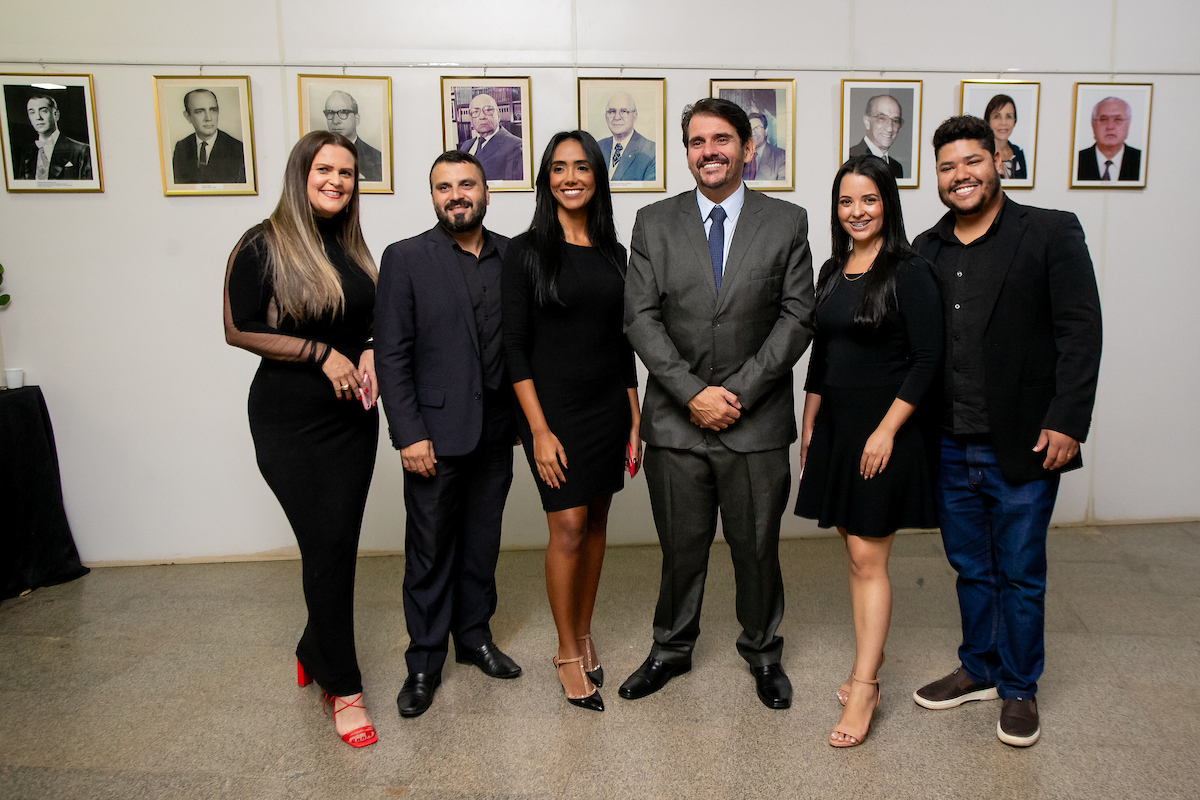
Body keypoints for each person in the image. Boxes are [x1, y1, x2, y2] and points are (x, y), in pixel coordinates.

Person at [912, 116, 1102, 747]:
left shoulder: (1048, 231)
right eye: (946, 167)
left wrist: (1068, 419)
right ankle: (979, 667)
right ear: (936, 177)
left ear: (998, 161)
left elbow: (1081, 330)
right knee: (970, 566)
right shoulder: (926, 248)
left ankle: (1019, 687)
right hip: (948, 439)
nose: (960, 175)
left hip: (1025, 438)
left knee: (1020, 570)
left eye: (972, 161)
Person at [621, 97, 815, 709]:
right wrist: (692, 394)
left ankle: (762, 651)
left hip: (754, 424)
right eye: (698, 141)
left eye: (722, 140)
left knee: (757, 548)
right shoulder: (653, 223)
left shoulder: (786, 221)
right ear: (686, 152)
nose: (710, 151)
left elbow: (797, 314)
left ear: (747, 147)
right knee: (681, 547)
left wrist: (737, 393)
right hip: (677, 426)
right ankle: (671, 649)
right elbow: (640, 318)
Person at [223, 130, 380, 748]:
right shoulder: (263, 241)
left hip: (352, 421)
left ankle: (313, 649)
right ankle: (343, 686)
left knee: (335, 546)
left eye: (346, 172)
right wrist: (323, 355)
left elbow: (364, 319)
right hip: (290, 420)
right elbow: (238, 326)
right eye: (325, 169)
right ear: (300, 174)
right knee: (327, 547)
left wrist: (366, 351)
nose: (337, 180)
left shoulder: (349, 246)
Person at [794, 154, 943, 747]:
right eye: (846, 201)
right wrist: (810, 423)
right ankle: (867, 670)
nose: (857, 212)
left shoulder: (909, 271)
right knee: (854, 558)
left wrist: (887, 431)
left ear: (888, 204)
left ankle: (864, 685)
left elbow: (928, 361)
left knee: (867, 559)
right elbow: (822, 356)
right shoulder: (833, 269)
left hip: (885, 430)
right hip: (835, 428)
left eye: (869, 200)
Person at [375, 150, 522, 719]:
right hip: (432, 436)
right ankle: (424, 661)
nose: (456, 194)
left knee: (482, 543)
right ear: (433, 196)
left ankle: (474, 638)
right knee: (430, 550)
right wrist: (408, 433)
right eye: (444, 187)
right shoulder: (406, 258)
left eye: (466, 184)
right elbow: (391, 352)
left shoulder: (513, 256)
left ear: (487, 192)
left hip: (496, 435)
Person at [502, 130, 641, 713]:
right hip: (553, 410)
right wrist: (537, 429)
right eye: (558, 168)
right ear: (546, 179)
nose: (569, 177)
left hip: (609, 405)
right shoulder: (525, 250)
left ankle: (584, 633)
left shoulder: (615, 252)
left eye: (581, 166)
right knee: (568, 527)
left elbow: (625, 341)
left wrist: (634, 417)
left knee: (599, 518)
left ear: (597, 176)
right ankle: (564, 650)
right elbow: (513, 348)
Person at [172, 88, 246, 184]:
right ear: (188, 117)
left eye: (213, 110)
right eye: (199, 111)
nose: (208, 118)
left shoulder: (238, 149)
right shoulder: (181, 147)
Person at [15, 93, 92, 181]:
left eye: (43, 111)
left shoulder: (81, 150)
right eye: (32, 112)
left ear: (56, 115)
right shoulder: (26, 153)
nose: (38, 117)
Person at [457, 93, 523, 182]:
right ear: (471, 120)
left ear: (498, 115)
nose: (482, 117)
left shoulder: (515, 145)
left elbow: (511, 189)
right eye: (475, 112)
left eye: (488, 110)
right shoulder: (466, 145)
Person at [1077, 97, 1141, 181]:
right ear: (1093, 125)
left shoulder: (1141, 160)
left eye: (1118, 119)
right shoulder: (1077, 160)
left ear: (1128, 125)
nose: (1110, 126)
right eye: (1103, 119)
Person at [323, 90, 383, 182]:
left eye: (343, 113)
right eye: (330, 113)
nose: (335, 121)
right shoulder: (317, 156)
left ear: (357, 119)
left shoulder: (376, 158)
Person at [596, 91, 656, 182]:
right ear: (605, 116)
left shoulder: (651, 150)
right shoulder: (597, 147)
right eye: (612, 111)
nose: (617, 117)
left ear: (635, 116)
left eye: (624, 111)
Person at [849, 95, 905, 179]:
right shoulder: (851, 158)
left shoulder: (896, 167)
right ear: (867, 122)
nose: (889, 128)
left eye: (895, 121)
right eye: (882, 118)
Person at [984, 94, 1027, 180]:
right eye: (997, 117)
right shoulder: (983, 154)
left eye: (1008, 116)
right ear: (988, 121)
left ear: (1014, 121)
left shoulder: (1018, 153)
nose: (1003, 123)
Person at [743, 112, 785, 181]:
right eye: (750, 129)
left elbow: (782, 187)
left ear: (766, 131)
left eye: (757, 128)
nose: (753, 133)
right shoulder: (739, 156)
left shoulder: (782, 156)